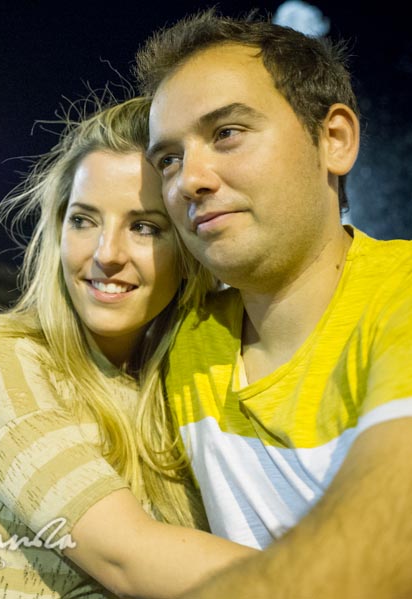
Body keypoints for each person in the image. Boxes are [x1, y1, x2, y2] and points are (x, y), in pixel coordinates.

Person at [0, 96, 254, 599]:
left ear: (188, 249)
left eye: (144, 227)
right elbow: (126, 555)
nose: (106, 255)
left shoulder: (186, 379)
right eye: (83, 220)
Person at [137, 10, 412, 598]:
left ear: (333, 139)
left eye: (227, 133)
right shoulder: (177, 347)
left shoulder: (402, 295)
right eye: (168, 159)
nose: (190, 179)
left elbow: (388, 543)